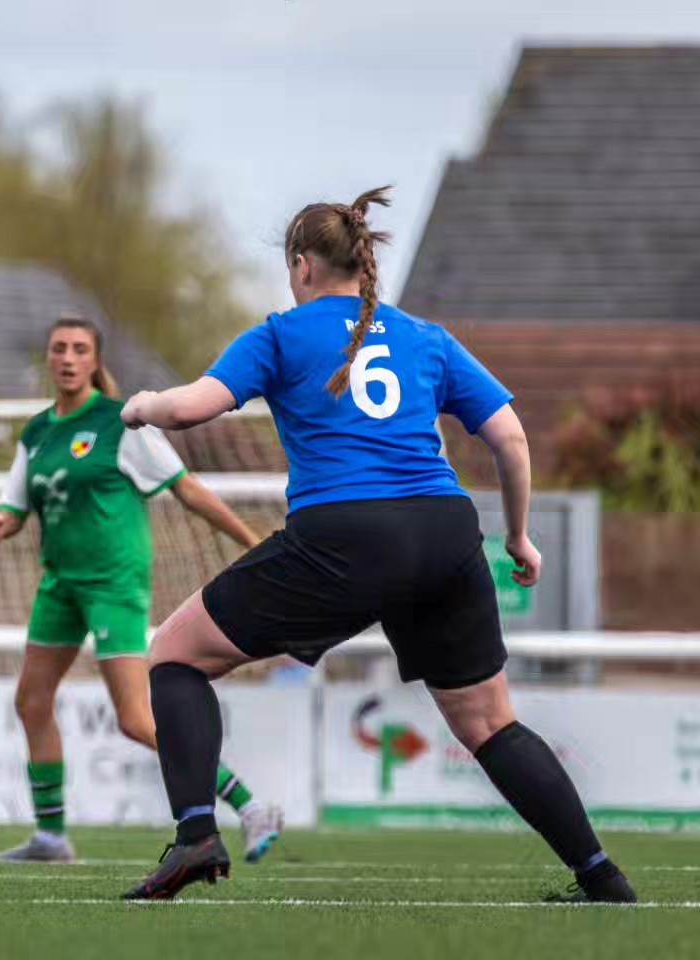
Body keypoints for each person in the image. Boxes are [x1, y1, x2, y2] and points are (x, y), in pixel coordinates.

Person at [117, 188, 636, 904]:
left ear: (302, 265)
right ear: (361, 263)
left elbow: (186, 409)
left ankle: (196, 833)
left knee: (175, 656)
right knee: (490, 722)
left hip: (345, 537)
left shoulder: (279, 335)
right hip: (444, 531)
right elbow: (511, 440)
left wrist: (139, 405)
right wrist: (517, 536)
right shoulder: (425, 336)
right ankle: (601, 876)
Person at [0, 315, 283, 865]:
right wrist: (1, 524)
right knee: (31, 701)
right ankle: (50, 838)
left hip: (113, 585)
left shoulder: (120, 423)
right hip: (60, 584)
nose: (68, 358)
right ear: (47, 358)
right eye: (58, 348)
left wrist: (250, 540)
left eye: (79, 349)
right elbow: (15, 505)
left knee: (136, 720)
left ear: (95, 361)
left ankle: (251, 806)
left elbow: (186, 489)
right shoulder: (37, 432)